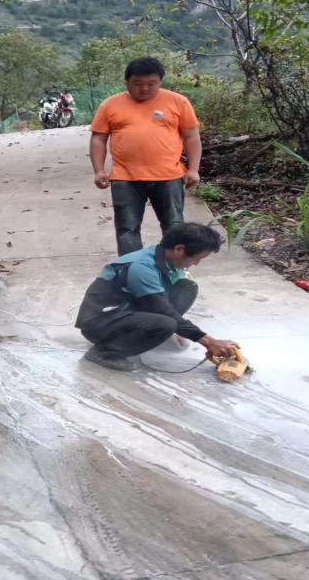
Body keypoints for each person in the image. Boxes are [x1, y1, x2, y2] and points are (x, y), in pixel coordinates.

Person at [75, 222, 238, 371]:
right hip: (99, 323)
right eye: (197, 258)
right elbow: (163, 310)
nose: (197, 263)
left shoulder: (167, 259)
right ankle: (105, 352)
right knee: (166, 324)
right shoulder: (142, 267)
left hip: (126, 311)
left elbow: (163, 302)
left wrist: (181, 331)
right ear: (179, 249)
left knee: (186, 288)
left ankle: (150, 334)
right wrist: (209, 342)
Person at [89, 57, 203, 256]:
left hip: (168, 176)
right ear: (127, 81)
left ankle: (174, 267)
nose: (144, 89)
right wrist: (99, 170)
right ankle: (132, 268)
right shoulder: (110, 105)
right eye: (138, 83)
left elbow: (191, 137)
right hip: (125, 178)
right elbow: (98, 139)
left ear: (160, 81)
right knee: (127, 228)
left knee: (174, 226)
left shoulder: (178, 101)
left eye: (152, 83)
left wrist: (193, 169)